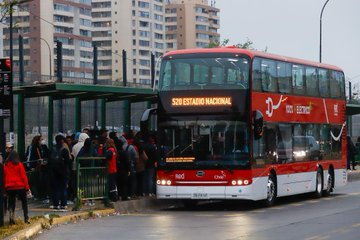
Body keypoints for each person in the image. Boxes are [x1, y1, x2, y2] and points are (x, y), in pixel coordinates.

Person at [4, 151, 31, 224]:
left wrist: (5, 188)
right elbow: (24, 177)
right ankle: (26, 218)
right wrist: (27, 188)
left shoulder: (6, 166)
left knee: (11, 203)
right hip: (20, 186)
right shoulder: (19, 164)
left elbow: (4, 177)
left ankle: (11, 220)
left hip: (10, 187)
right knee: (24, 202)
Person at [49, 135, 71, 210]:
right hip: (63, 172)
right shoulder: (64, 150)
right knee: (63, 188)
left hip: (53, 172)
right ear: (62, 141)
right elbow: (68, 161)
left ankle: (56, 204)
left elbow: (49, 161)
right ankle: (63, 204)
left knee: (56, 189)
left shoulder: (52, 149)